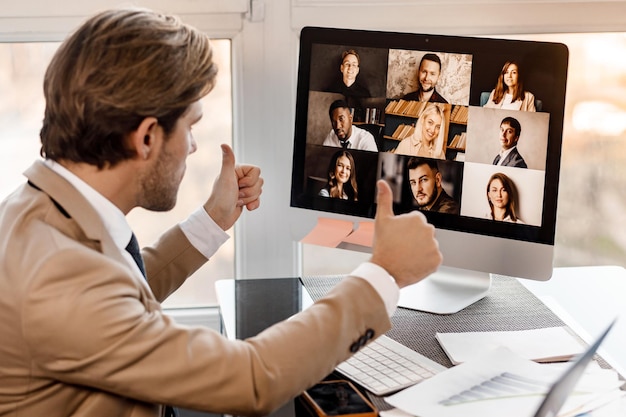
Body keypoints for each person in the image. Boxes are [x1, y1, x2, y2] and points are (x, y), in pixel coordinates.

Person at [0, 8, 442, 417]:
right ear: (147, 137)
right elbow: (252, 379)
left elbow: (115, 294)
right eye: (190, 127)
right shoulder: (57, 273)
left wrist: (211, 220)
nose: (193, 146)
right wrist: (385, 273)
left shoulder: (42, 212)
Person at [326, 49, 372, 113]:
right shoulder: (330, 91)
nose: (350, 67)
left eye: (354, 65)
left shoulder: (365, 94)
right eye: (347, 64)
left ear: (357, 70)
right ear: (342, 68)